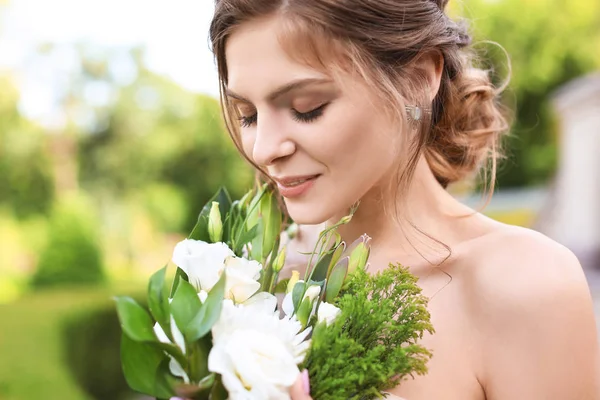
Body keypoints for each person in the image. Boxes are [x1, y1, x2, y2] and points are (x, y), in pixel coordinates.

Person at [209, 0, 600, 399]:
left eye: (307, 109)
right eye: (248, 115)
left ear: (417, 77)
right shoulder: (246, 283)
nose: (264, 149)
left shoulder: (524, 286)